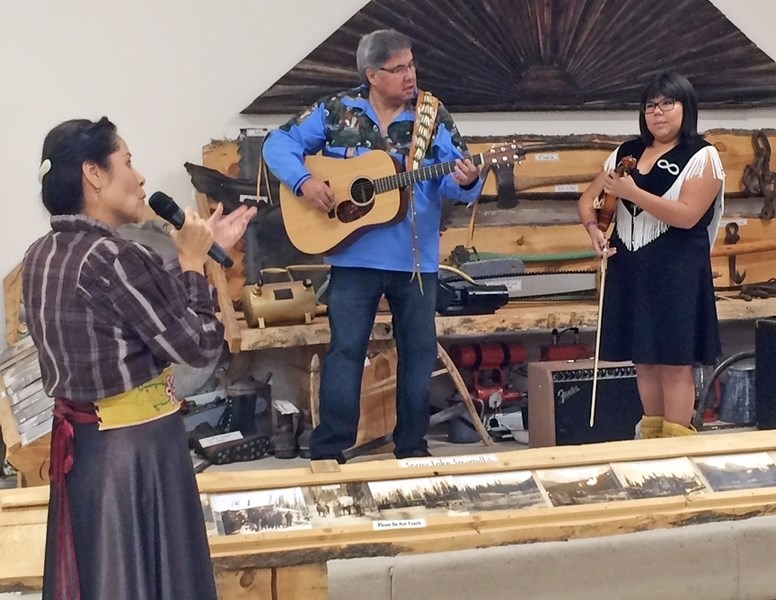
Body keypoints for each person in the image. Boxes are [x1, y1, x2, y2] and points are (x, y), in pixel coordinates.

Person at [23, 116, 256, 599]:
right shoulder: (111, 257)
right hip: (138, 453)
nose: (141, 176)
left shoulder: (43, 253)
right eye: (127, 161)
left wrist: (203, 250)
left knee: (105, 577)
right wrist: (194, 263)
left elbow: (130, 309)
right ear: (94, 174)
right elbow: (197, 346)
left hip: (88, 453)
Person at [262, 29, 482, 461]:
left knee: (418, 356)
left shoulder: (431, 115)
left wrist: (469, 180)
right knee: (346, 351)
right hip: (352, 254)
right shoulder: (336, 112)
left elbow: (456, 184)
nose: (409, 76)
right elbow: (277, 142)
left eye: (412, 65)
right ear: (372, 75)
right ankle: (329, 451)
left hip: (415, 260)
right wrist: (304, 181)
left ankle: (412, 448)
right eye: (398, 69)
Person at [578, 72, 724, 439]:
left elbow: (688, 214)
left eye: (667, 104)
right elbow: (587, 200)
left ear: (685, 108)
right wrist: (594, 230)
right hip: (631, 264)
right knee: (643, 359)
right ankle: (650, 444)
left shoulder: (702, 155)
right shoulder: (627, 151)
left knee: (674, 362)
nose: (657, 113)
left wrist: (632, 191)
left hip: (676, 268)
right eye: (650, 106)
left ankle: (678, 449)